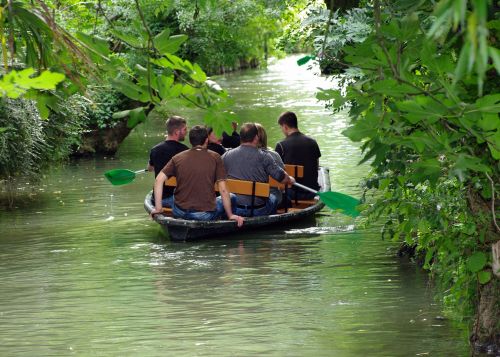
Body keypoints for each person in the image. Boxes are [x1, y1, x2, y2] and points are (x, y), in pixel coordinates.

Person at [150, 125, 243, 227]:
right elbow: (223, 189)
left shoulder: (177, 157)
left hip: (179, 212)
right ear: (206, 140)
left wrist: (158, 208)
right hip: (204, 215)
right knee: (232, 197)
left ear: (190, 141)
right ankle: (226, 224)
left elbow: (159, 180)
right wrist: (230, 215)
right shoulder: (215, 157)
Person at [222, 122, 295, 217]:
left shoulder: (226, 155)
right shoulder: (265, 157)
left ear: (241, 137)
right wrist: (290, 179)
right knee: (273, 198)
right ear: (256, 138)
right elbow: (281, 177)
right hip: (258, 210)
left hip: (235, 209)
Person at [275, 111, 321, 200]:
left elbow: (277, 172)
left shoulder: (281, 145)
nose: (282, 130)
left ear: (285, 126)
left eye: (281, 128)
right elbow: (317, 166)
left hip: (291, 193)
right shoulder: (313, 142)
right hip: (312, 191)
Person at [148, 116, 189, 207]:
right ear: (177, 132)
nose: (186, 132)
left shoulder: (155, 149)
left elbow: (150, 168)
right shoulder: (185, 151)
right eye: (185, 129)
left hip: (158, 199)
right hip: (174, 199)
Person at [255, 123, 285, 204]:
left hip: (246, 199)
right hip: (271, 197)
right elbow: (282, 183)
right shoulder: (274, 155)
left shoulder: (242, 155)